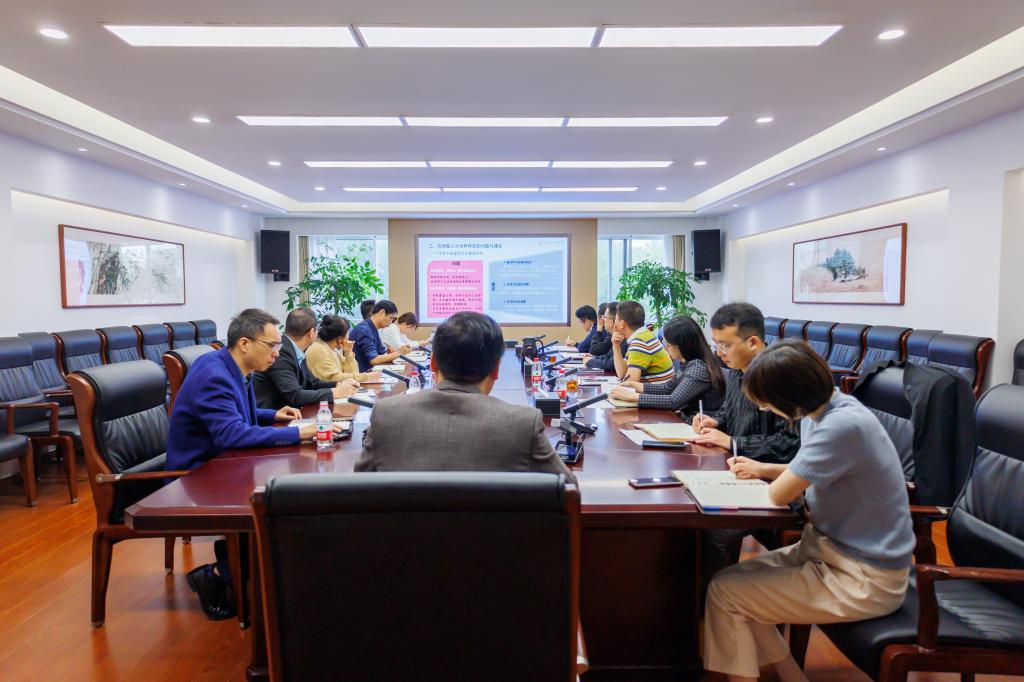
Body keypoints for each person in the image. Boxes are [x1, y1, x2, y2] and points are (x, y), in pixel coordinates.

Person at [703, 340, 913, 682]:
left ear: (788, 398)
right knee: (728, 584)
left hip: (864, 576)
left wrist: (770, 475)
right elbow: (810, 471)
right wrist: (763, 468)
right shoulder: (828, 408)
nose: (766, 409)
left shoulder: (841, 426)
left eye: (766, 402)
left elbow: (779, 494)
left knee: (728, 595)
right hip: (829, 552)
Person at [167, 308, 345, 620]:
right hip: (197, 474)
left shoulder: (233, 365)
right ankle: (217, 574)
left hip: (222, 462)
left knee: (287, 489)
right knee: (279, 501)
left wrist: (272, 414)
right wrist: (299, 433)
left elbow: (238, 416)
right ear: (245, 343)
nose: (278, 352)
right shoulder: (214, 376)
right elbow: (232, 434)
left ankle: (234, 565)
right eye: (272, 345)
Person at [356, 311, 576, 483]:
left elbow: (359, 489)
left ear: (433, 363)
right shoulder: (523, 423)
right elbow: (566, 489)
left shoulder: (386, 415)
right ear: (496, 370)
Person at [691, 303, 802, 582]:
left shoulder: (782, 377)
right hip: (741, 471)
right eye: (716, 344)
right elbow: (729, 412)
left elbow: (788, 445)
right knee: (691, 509)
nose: (719, 353)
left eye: (725, 345)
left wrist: (732, 442)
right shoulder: (737, 372)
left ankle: (710, 598)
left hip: (776, 483)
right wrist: (714, 421)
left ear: (752, 342)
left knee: (712, 528)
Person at [609, 315, 726, 417]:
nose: (665, 348)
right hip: (685, 420)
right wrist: (634, 385)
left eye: (667, 344)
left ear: (681, 344)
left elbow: (673, 401)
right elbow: (667, 388)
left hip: (698, 425)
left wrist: (634, 396)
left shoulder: (699, 368)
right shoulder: (687, 363)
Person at [253, 307, 358, 410]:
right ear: (311, 332)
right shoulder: (282, 352)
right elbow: (295, 396)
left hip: (290, 412)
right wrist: (334, 392)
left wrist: (338, 384)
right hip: (273, 416)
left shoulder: (295, 349)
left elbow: (313, 383)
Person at [305, 314, 382, 383]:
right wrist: (367, 377)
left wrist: (348, 352)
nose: (348, 337)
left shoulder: (333, 349)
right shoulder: (318, 350)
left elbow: (352, 373)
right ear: (340, 338)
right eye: (347, 334)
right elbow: (334, 378)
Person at [611, 300, 674, 383]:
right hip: (656, 389)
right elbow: (622, 374)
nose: (614, 323)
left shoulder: (639, 342)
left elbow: (630, 383)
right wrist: (616, 346)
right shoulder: (643, 335)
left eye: (615, 319)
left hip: (656, 391)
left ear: (622, 324)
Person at [350, 299, 411, 372]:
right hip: (362, 375)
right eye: (391, 318)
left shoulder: (373, 328)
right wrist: (399, 353)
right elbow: (373, 360)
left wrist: (392, 354)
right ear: (382, 312)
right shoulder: (364, 330)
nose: (391, 323)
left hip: (371, 372)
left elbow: (383, 353)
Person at [584, 302, 620, 371]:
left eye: (604, 317)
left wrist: (589, 361)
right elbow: (608, 356)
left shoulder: (618, 338)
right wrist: (594, 358)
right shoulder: (613, 335)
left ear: (611, 322)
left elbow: (610, 363)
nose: (602, 320)